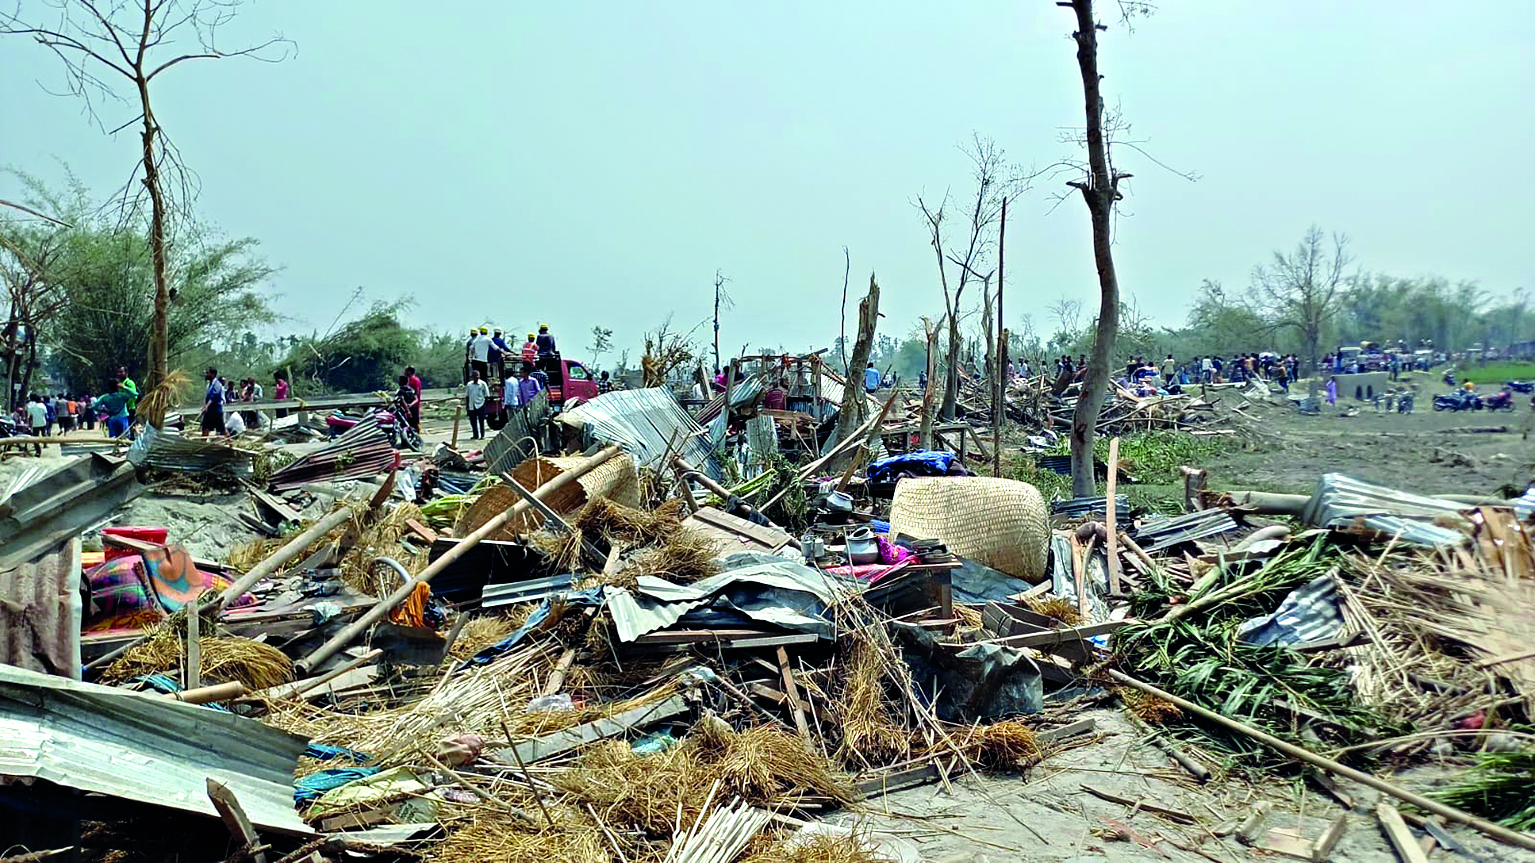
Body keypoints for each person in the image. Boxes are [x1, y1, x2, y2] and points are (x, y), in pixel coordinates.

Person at [199, 367, 226, 437]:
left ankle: (229, 441)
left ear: (213, 374)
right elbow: (207, 398)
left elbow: (213, 397)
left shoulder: (217, 384)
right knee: (205, 427)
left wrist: (206, 407)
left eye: (208, 373)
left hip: (216, 411)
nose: (206, 375)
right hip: (209, 411)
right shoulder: (209, 385)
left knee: (221, 429)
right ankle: (203, 442)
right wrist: (204, 406)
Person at [464, 369, 489, 439]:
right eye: (474, 376)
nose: (476, 377)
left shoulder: (483, 384)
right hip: (472, 405)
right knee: (473, 421)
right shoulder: (469, 385)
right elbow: (467, 396)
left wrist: (485, 405)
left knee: (481, 421)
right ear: (472, 377)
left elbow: (487, 395)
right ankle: (475, 435)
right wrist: (467, 406)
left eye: (477, 376)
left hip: (480, 404)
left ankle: (482, 435)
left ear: (479, 376)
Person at [404, 365, 423, 431]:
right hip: (408, 405)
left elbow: (416, 393)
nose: (404, 372)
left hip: (414, 405)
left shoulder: (415, 380)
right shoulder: (408, 380)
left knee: (414, 423)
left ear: (410, 371)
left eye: (406, 371)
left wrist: (412, 403)